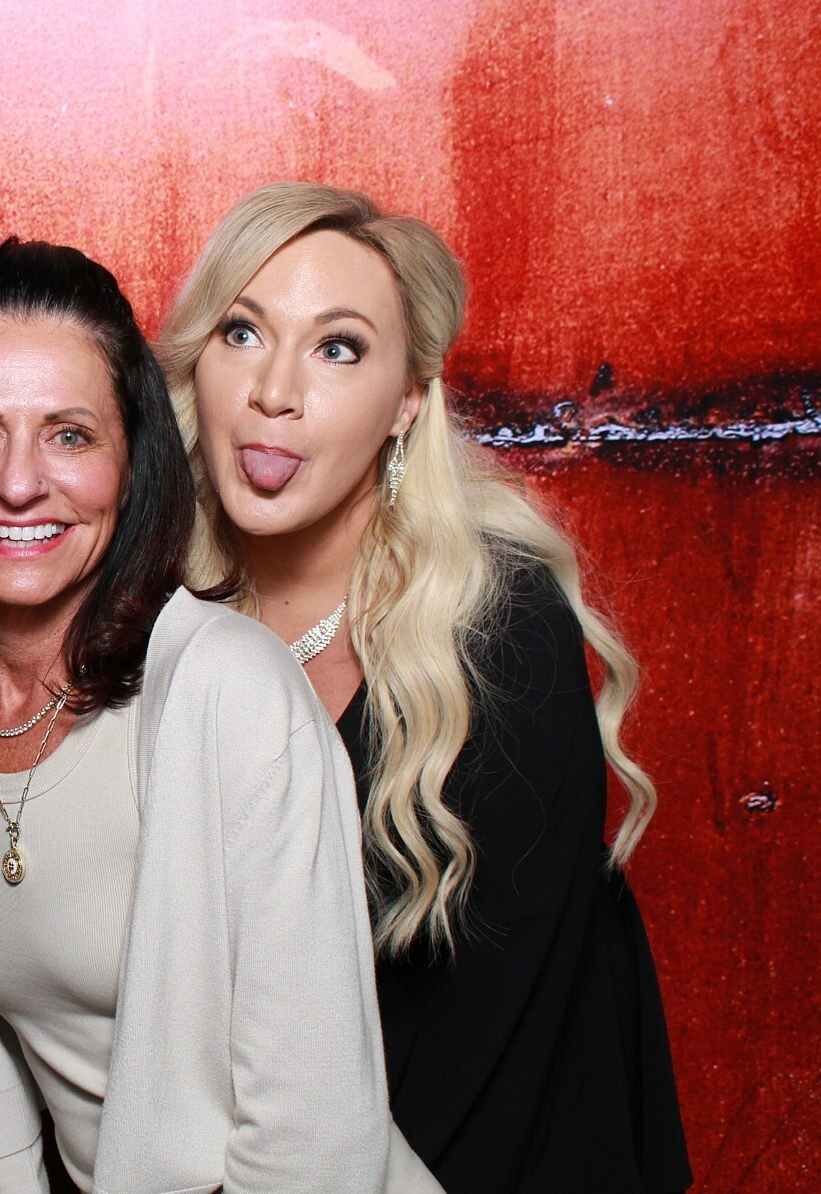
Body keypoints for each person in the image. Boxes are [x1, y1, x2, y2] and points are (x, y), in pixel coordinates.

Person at [158, 181, 692, 1193]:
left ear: (407, 399)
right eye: (242, 332)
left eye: (337, 347)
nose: (274, 390)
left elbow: (496, 1060)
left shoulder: (495, 632)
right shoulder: (151, 615)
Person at [0, 239, 391, 1192]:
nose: (20, 483)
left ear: (131, 464)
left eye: (70, 435)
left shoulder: (227, 690)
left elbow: (314, 1135)